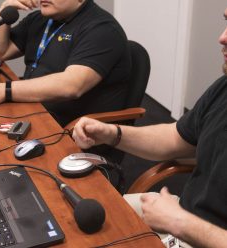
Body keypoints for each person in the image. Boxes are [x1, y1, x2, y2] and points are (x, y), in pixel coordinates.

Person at [72, 8, 227, 248]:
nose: (222, 37)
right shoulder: (223, 88)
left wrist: (180, 222)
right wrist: (113, 134)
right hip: (182, 216)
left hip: (195, 230)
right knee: (73, 213)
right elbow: (174, 139)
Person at [0, 0, 131, 127]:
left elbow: (72, 86)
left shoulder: (102, 29)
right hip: (34, 110)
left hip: (73, 131)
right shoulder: (40, 19)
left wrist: (5, 90)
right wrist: (4, 12)